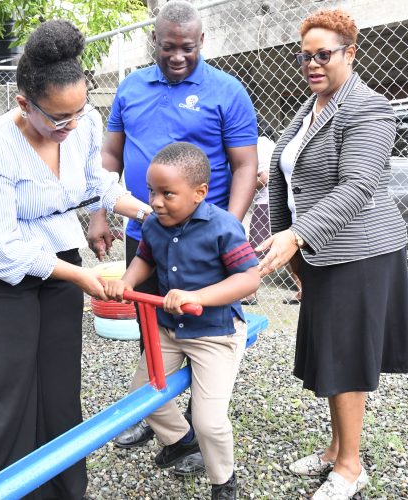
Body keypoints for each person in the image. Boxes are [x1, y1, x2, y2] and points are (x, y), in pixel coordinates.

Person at [0, 20, 154, 498]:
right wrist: (83, 277)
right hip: (4, 276)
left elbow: (96, 187)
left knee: (61, 383)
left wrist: (153, 211)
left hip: (60, 258)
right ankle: (8, 488)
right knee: (13, 386)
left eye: (79, 111)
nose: (71, 125)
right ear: (24, 103)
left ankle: (66, 488)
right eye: (57, 118)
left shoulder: (83, 125)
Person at [88, 0, 259, 468]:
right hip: (146, 229)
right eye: (168, 47)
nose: (177, 56)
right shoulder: (131, 87)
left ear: (201, 42)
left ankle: (202, 422)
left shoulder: (228, 91)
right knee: (153, 322)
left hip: (206, 236)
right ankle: (163, 419)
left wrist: (229, 224)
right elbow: (110, 158)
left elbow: (245, 164)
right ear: (155, 43)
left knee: (204, 321)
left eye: (187, 47)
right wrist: (100, 213)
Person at [256, 9, 408, 499]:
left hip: (361, 253)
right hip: (320, 254)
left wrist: (296, 236)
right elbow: (287, 180)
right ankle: (334, 449)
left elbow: (358, 185)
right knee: (331, 353)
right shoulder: (310, 109)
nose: (312, 64)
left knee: (345, 358)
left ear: (351, 52)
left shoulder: (368, 108)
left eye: (324, 54)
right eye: (306, 55)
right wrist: (295, 252)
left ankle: (350, 466)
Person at [105, 142, 260, 500]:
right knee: (144, 396)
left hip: (214, 333)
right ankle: (181, 440)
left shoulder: (222, 227)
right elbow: (145, 258)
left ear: (199, 193)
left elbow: (249, 278)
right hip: (170, 329)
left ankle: (223, 480)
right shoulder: (155, 225)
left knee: (210, 420)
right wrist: (125, 283)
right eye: (152, 192)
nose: (156, 202)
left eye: (167, 194)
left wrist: (198, 297)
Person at [244, 119, 275, 305]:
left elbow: (264, 176)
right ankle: (301, 289)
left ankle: (250, 293)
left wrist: (244, 188)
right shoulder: (273, 144)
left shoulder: (260, 144)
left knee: (256, 248)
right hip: (278, 201)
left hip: (265, 202)